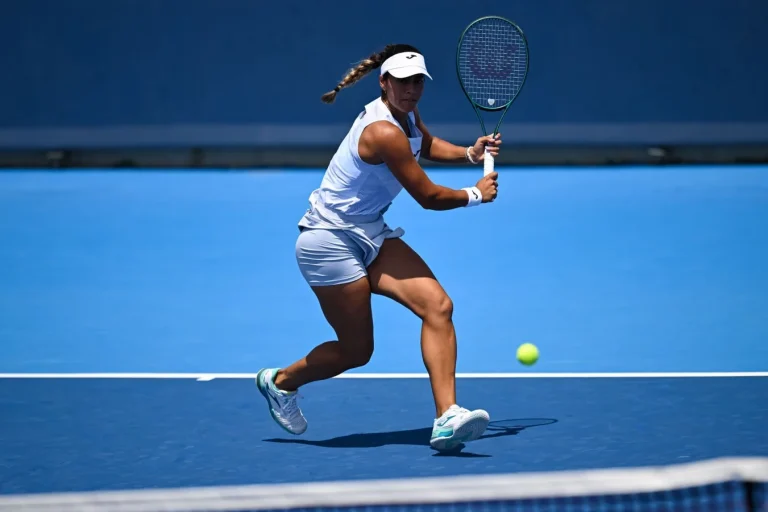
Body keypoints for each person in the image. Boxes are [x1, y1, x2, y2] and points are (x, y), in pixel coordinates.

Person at [256, 43, 501, 452]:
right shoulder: (383, 131)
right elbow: (427, 196)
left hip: (369, 231)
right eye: (402, 82)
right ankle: (280, 383)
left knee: (438, 306)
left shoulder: (404, 116)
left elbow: (423, 143)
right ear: (384, 83)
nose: (410, 90)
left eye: (417, 82)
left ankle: (447, 417)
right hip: (329, 241)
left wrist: (468, 153)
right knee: (356, 351)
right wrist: (475, 194)